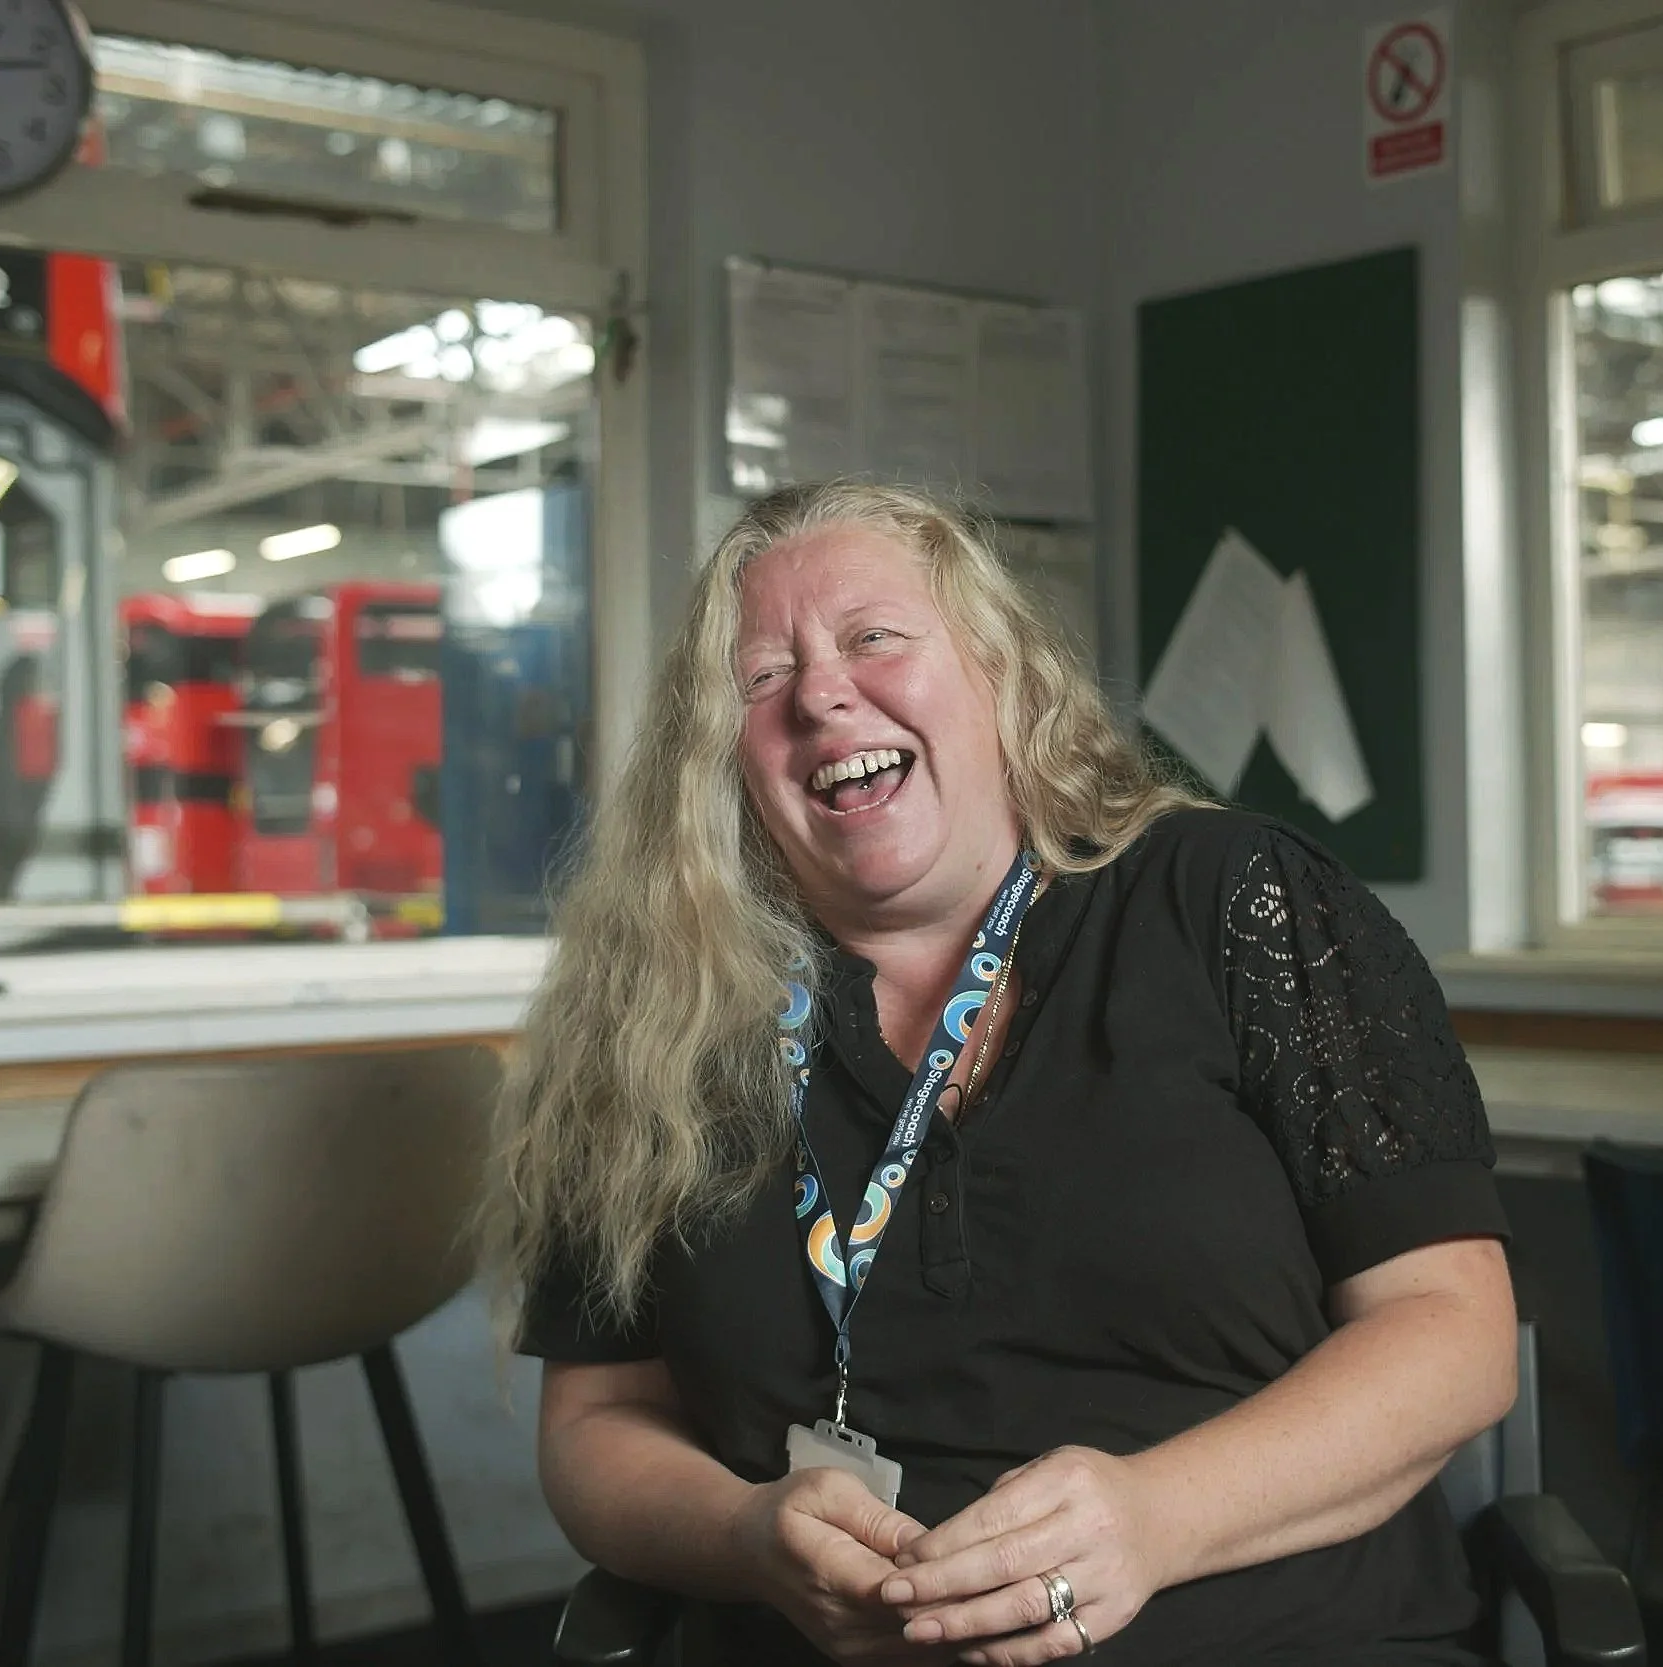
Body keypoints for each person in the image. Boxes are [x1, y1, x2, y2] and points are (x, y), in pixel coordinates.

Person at [486, 480, 1518, 1666]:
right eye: (761, 676)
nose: (821, 691)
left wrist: (1159, 1517)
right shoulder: (648, 1018)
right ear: (718, 756)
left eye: (873, 637)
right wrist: (740, 1529)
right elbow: (598, 1421)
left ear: (1000, 674)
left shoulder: (1238, 900)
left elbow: (1452, 1329)